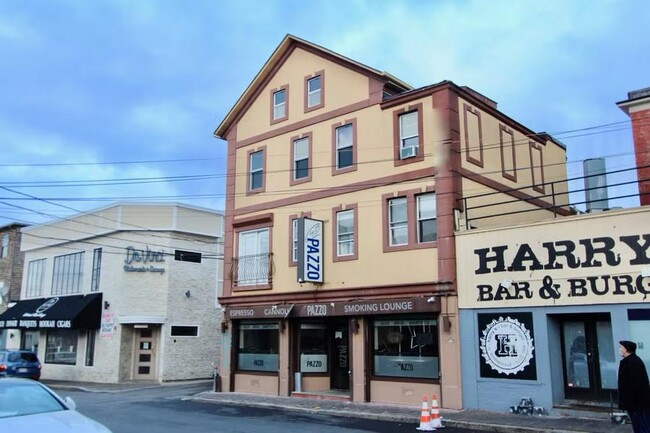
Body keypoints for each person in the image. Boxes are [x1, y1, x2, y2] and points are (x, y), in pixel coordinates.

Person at [618, 340, 650, 433]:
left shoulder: (633, 362)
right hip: (634, 403)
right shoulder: (629, 361)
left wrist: (634, 403)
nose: (619, 349)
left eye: (621, 347)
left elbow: (637, 385)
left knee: (643, 426)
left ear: (626, 349)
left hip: (638, 404)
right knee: (638, 426)